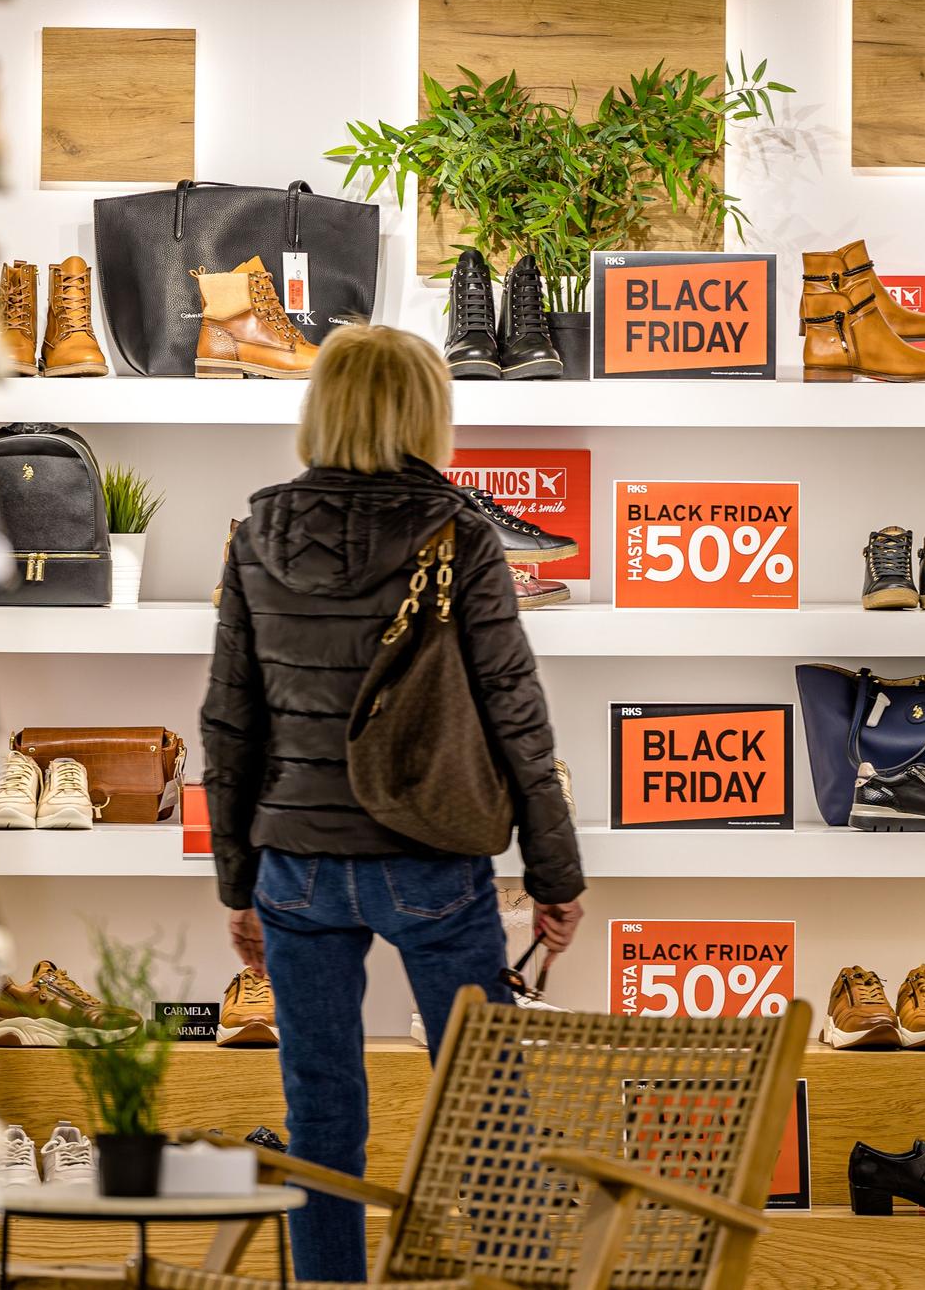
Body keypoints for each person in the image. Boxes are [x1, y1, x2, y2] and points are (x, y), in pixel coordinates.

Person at [201, 324, 586, 1282]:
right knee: (488, 1104)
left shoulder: (255, 534)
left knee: (320, 1112)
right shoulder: (460, 532)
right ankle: (516, 1278)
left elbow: (228, 726)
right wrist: (554, 875)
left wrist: (238, 887)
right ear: (425, 410)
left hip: (293, 864)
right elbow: (516, 720)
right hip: (428, 857)